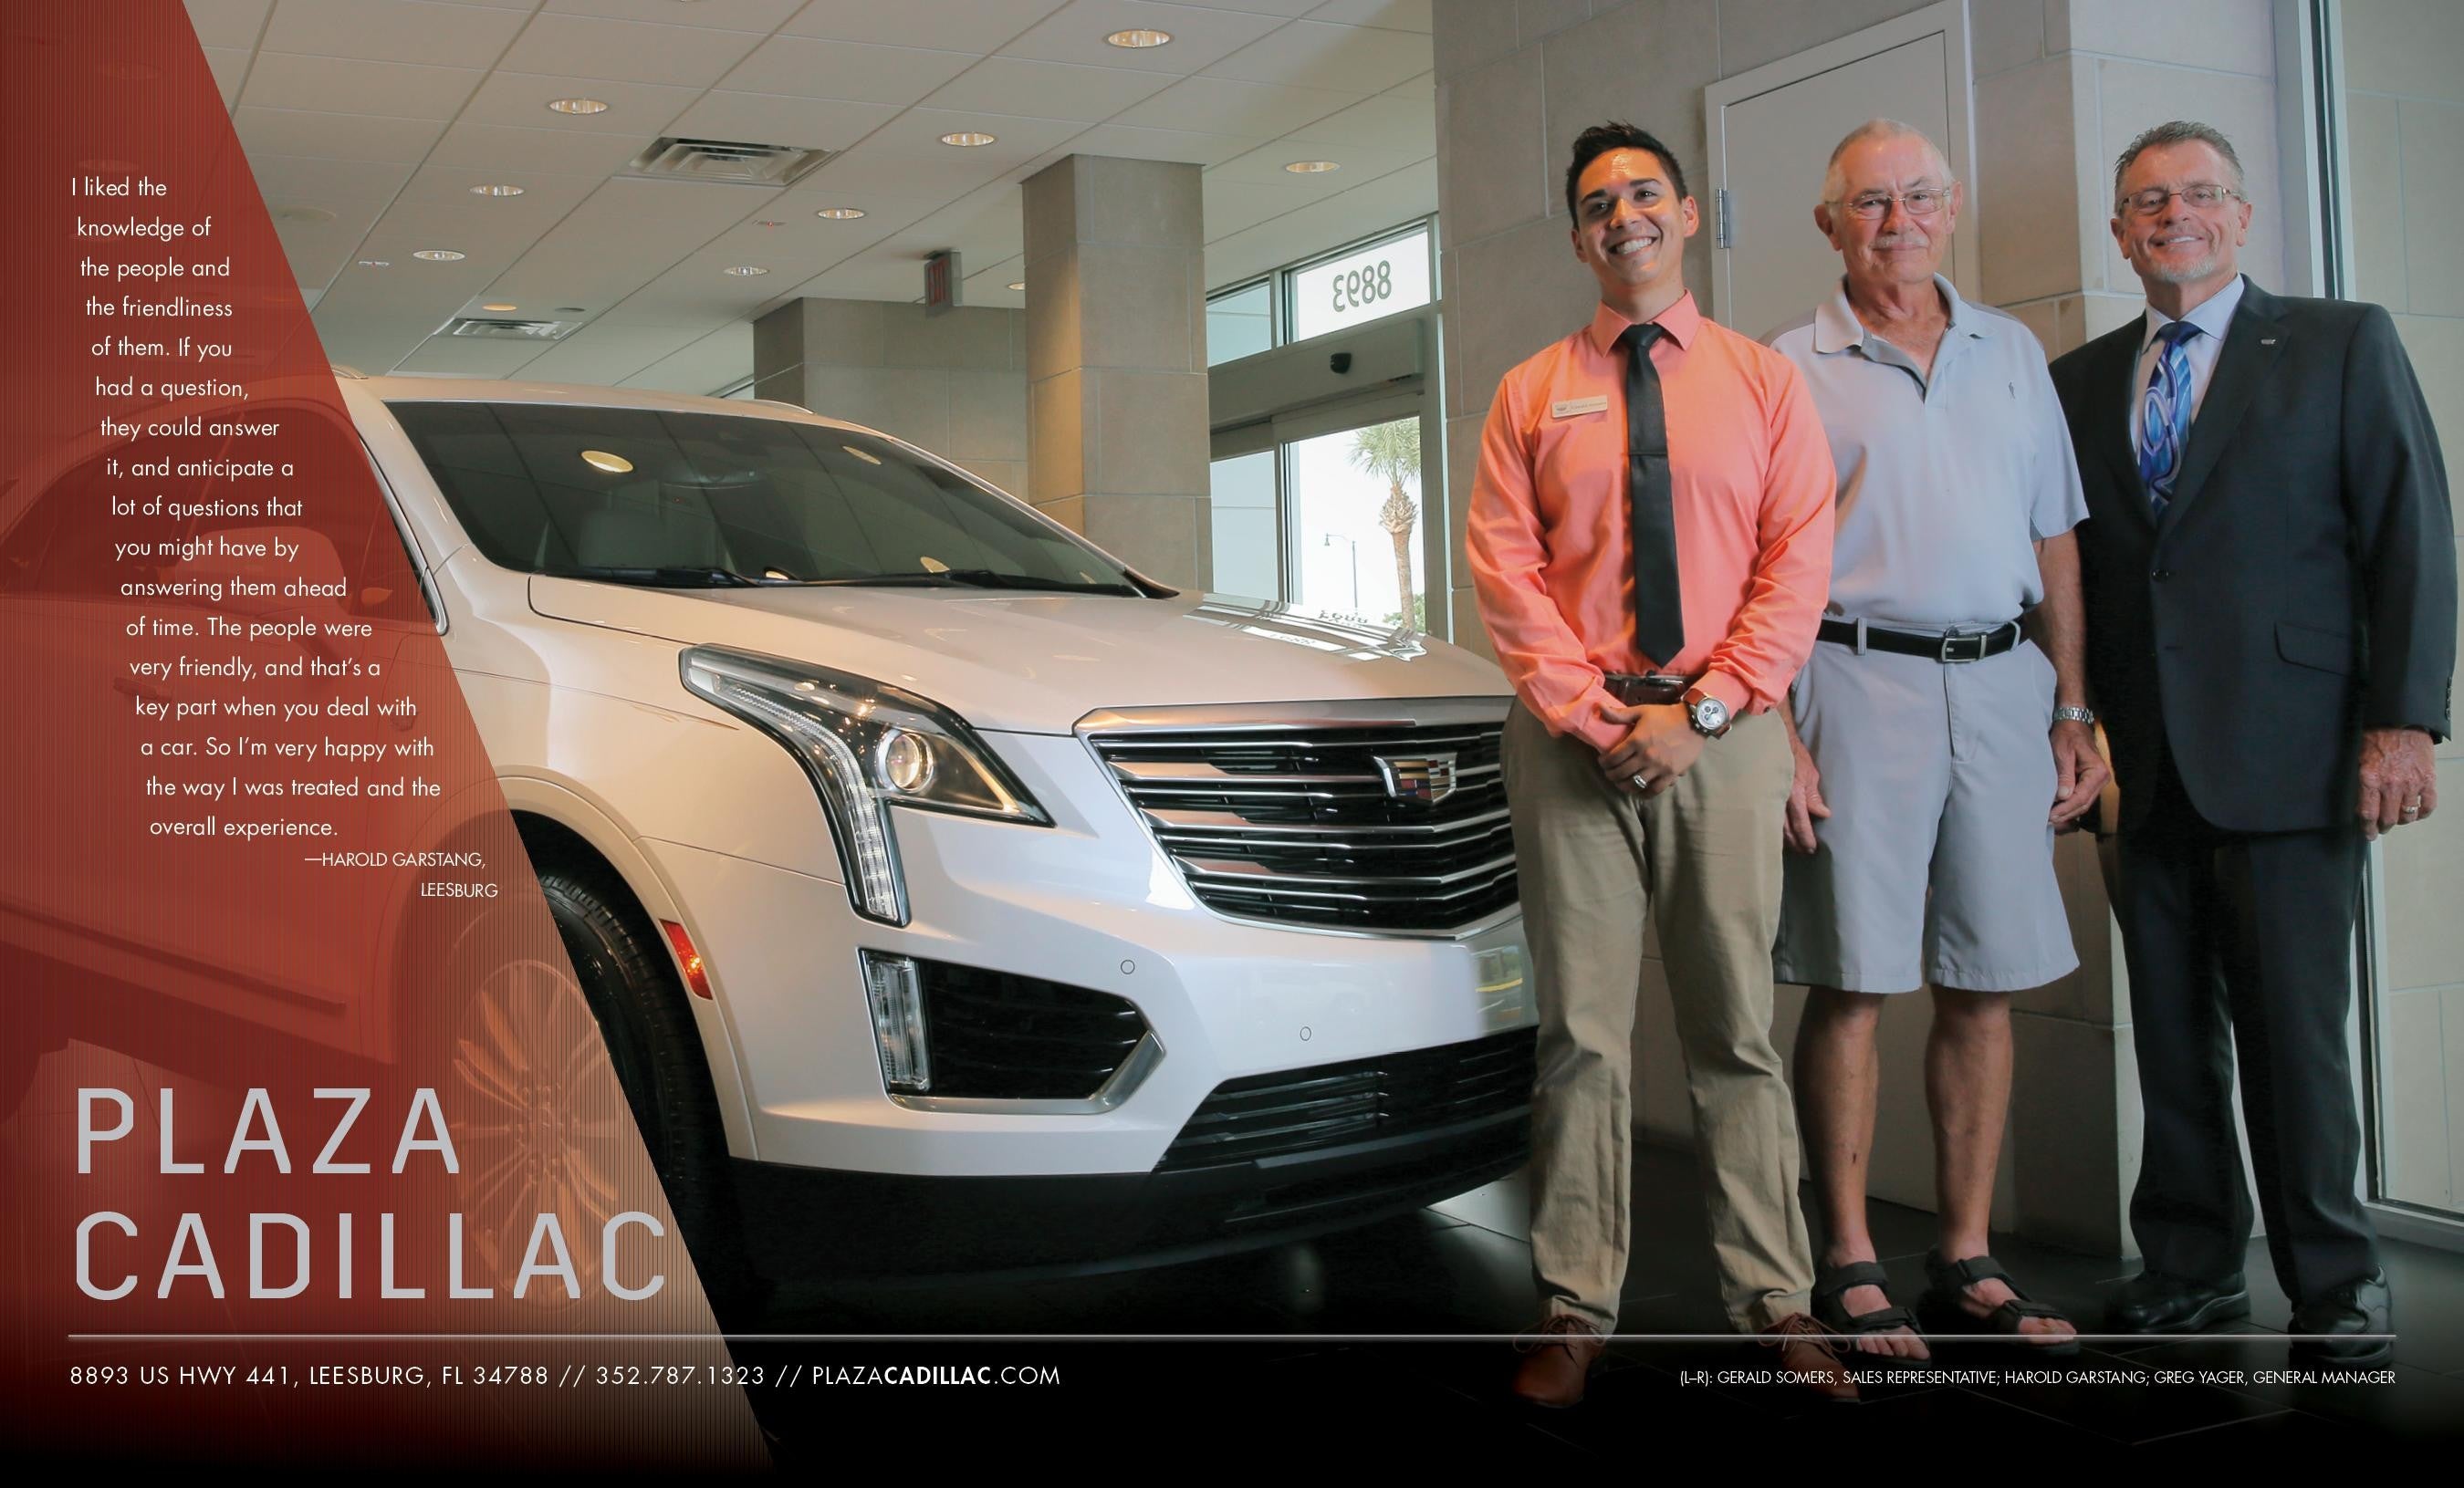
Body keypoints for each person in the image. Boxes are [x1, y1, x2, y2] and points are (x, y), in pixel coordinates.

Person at [2048, 120, 2455, 1366]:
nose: (2174, 214)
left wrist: (2404, 722)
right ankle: (2190, 1265)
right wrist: (2072, 720)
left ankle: (2333, 1279)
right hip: (2140, 756)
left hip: (2296, 747)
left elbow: (2412, 535)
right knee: (2171, 1029)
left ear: (2241, 215)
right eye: (2147, 201)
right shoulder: (2076, 381)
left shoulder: (2340, 341)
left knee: (2296, 1034)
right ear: (2120, 233)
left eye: (2199, 193)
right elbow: (2070, 570)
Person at [1469, 121, 1843, 1407]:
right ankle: (1575, 1307)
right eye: (1596, 204)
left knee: (1735, 1030)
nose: (1621, 215)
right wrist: (1593, 717)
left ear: (1686, 215)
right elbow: (1506, 571)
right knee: (1580, 1036)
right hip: (1572, 747)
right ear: (1579, 238)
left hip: (1722, 744)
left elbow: (1796, 564)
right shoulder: (1530, 392)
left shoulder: (1764, 382)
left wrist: (1708, 713)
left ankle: (1778, 1303)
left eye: (1643, 194)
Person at [1765, 120, 2107, 1359]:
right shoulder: (1785, 366)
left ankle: (1966, 1256)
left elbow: (2056, 537)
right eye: (1870, 203)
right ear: (1829, 224)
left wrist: (2073, 704)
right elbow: (1761, 562)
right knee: (1854, 979)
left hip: (2005, 687)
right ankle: (1851, 1259)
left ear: (1951, 208)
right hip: (1853, 684)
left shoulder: (2012, 352)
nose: (1897, 222)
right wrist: (1778, 735)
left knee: (1985, 979)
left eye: (1918, 197)